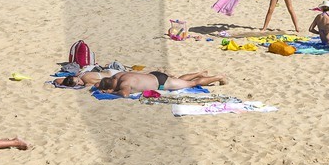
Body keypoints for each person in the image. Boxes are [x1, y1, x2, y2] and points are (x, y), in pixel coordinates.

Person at [94, 69, 229, 96]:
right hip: (154, 75)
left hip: (161, 82)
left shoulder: (124, 84)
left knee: (192, 84)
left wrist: (112, 92)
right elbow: (99, 83)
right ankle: (200, 73)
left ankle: (218, 76)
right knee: (180, 80)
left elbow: (124, 94)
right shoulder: (118, 75)